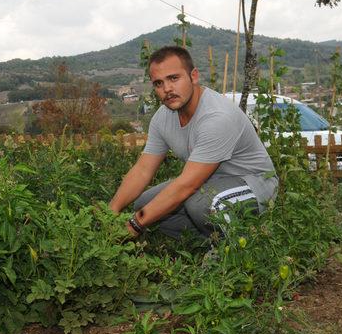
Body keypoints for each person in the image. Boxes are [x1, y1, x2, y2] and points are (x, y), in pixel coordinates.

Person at [109, 46, 278, 239]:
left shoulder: (217, 117)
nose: (167, 89)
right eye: (158, 83)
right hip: (211, 183)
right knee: (144, 204)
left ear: (194, 76)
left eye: (174, 78)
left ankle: (240, 249)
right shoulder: (162, 118)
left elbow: (186, 186)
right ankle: (208, 241)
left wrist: (135, 225)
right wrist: (111, 211)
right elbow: (143, 170)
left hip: (254, 184)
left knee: (199, 203)